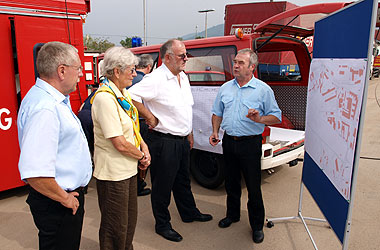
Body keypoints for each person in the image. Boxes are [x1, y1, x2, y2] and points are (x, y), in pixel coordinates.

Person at [128, 39, 213, 242]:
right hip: (164, 141)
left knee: (183, 181)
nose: (186, 59)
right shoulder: (156, 78)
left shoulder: (183, 76)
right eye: (182, 55)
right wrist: (148, 116)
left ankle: (189, 212)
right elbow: (130, 96)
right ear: (167, 57)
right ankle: (162, 224)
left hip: (182, 139)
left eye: (186, 54)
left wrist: (189, 133)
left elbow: (186, 108)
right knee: (162, 185)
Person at [17, 41, 92, 250]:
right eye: (78, 68)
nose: (80, 74)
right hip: (58, 202)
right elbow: (35, 171)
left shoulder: (50, 99)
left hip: (59, 198)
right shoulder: (46, 108)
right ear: (61, 71)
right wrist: (65, 199)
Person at [209, 49, 282, 244]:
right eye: (235, 61)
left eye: (241, 62)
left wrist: (259, 118)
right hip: (229, 141)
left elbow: (276, 116)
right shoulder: (225, 88)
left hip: (250, 144)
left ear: (252, 67)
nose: (235, 65)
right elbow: (217, 112)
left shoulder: (263, 90)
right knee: (231, 182)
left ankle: (257, 225)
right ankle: (232, 215)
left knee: (252, 186)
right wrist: (215, 132)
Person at [91, 46, 150, 250]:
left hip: (127, 169)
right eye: (131, 70)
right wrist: (142, 155)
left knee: (128, 221)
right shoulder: (105, 98)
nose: (135, 74)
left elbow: (132, 126)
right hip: (113, 173)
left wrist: (143, 145)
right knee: (115, 225)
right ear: (116, 71)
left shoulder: (122, 94)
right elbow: (119, 142)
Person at [129, 54, 154, 196]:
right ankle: (139, 185)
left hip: (129, 123)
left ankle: (135, 184)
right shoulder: (144, 81)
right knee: (143, 155)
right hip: (141, 122)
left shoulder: (129, 79)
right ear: (149, 67)